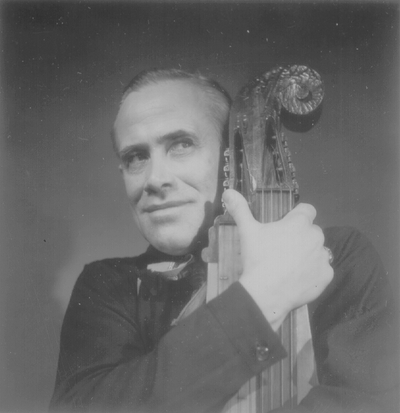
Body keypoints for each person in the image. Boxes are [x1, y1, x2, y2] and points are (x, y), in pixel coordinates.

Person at [49, 69, 399, 413]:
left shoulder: (337, 257)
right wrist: (265, 296)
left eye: (181, 144)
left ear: (231, 157)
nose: (155, 179)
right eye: (135, 157)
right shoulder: (106, 287)